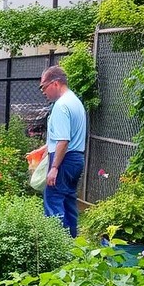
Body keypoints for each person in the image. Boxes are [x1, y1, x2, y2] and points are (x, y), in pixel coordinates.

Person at [39, 65, 86, 238]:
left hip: (64, 160)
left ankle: (56, 246)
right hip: (76, 159)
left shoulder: (60, 106)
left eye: (43, 87)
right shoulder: (75, 101)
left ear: (56, 83)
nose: (43, 91)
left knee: (53, 201)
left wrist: (54, 167)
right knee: (68, 203)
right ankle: (73, 246)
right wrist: (45, 148)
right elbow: (68, 135)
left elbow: (64, 140)